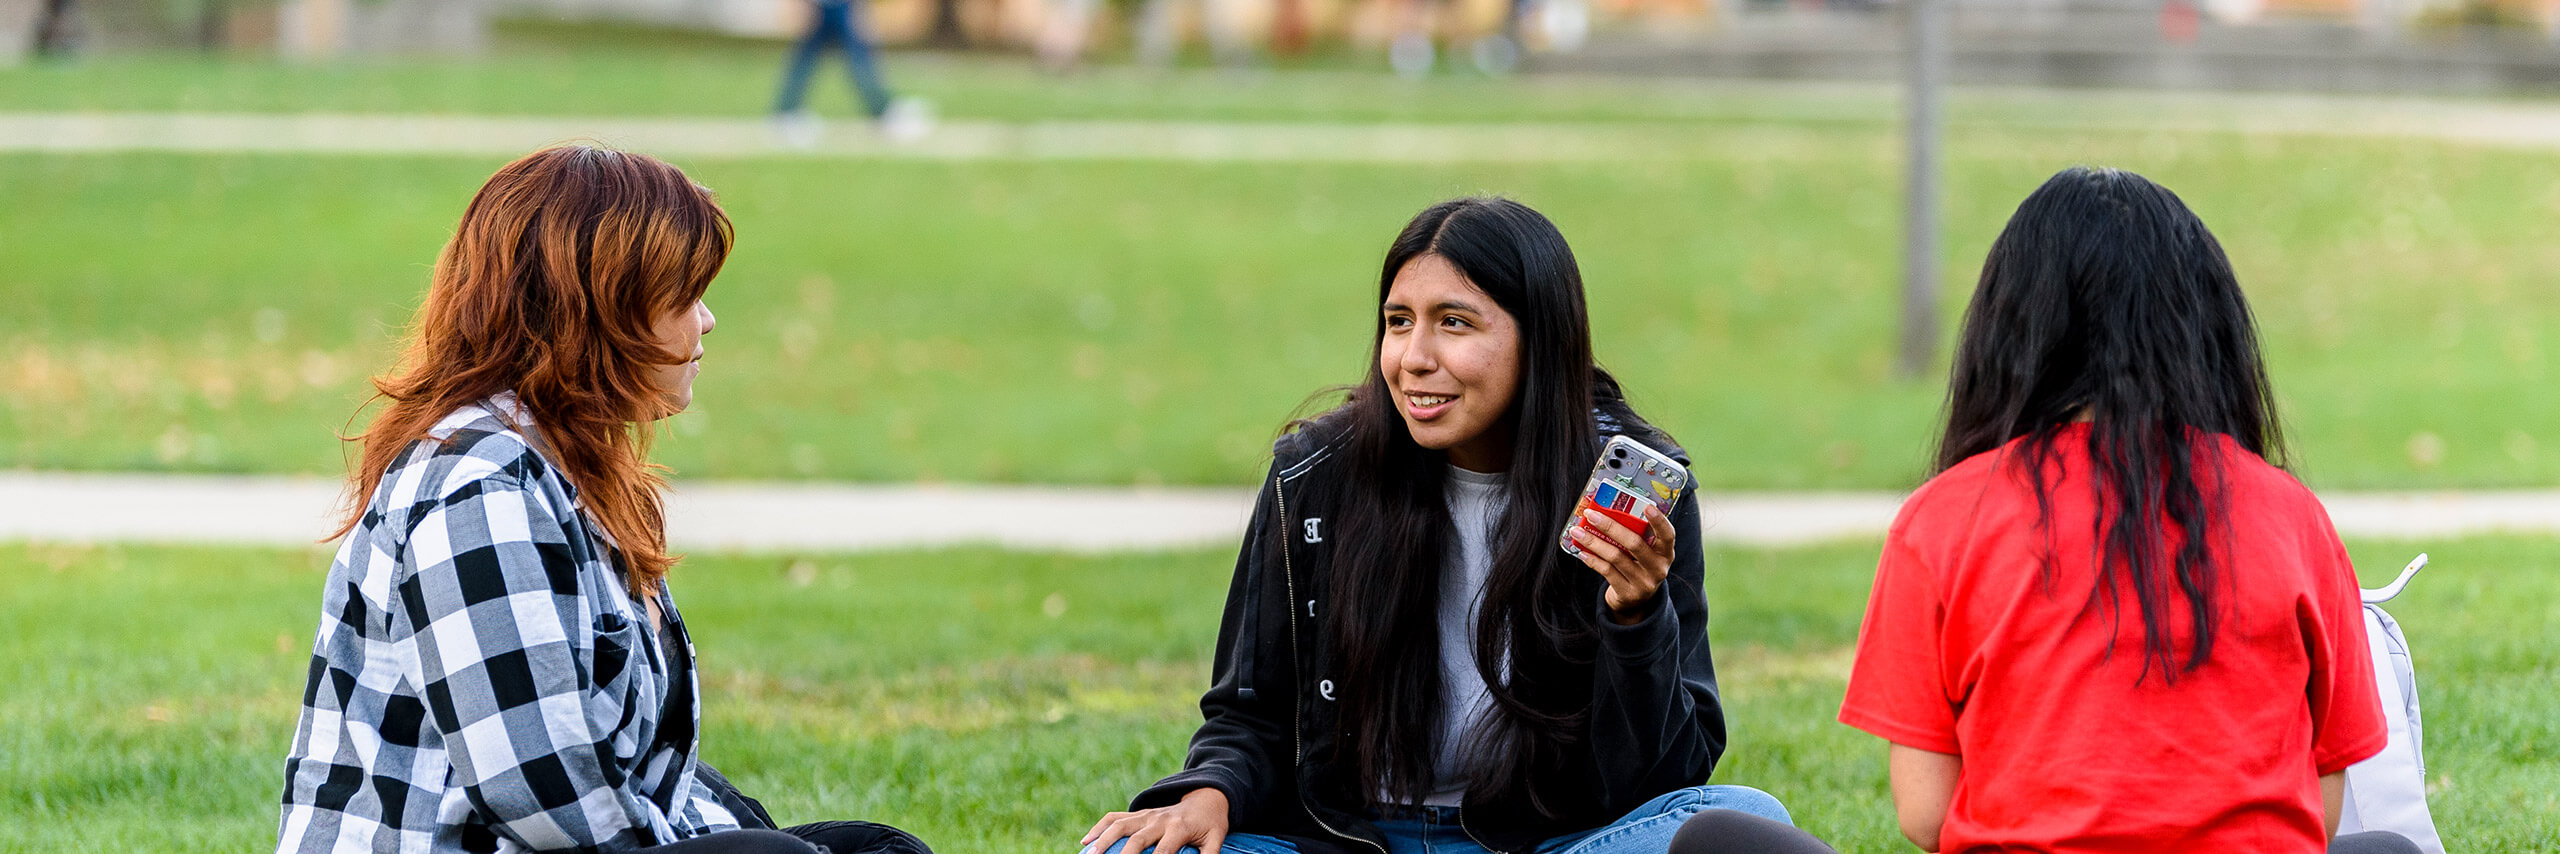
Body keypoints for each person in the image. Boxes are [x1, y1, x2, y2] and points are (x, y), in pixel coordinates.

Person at [1666, 167, 2419, 854]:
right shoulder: (2291, 513)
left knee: (1717, 839)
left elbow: (1926, 814)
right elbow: (2317, 813)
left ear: (2008, 330)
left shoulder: (1942, 519)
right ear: (2209, 331)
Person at [1077, 197, 1791, 854]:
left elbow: (1666, 783)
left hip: (1540, 845)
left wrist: (1637, 619)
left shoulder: (1628, 491)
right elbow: (1248, 711)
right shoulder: (1314, 475)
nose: (1414, 358)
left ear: (1540, 340)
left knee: (1746, 821)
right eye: (1397, 322)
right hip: (1351, 842)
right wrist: (1206, 795)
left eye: (1454, 322)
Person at [274, 145, 930, 854]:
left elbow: (632, 769)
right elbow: (542, 794)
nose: (706, 322)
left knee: (875, 849)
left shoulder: (565, 467)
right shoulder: (481, 488)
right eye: (683, 297)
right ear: (601, 312)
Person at [773, 0, 926, 144]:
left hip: (836, 6)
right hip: (830, 7)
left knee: (822, 54)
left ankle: (787, 110)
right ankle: (883, 111)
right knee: (853, 55)